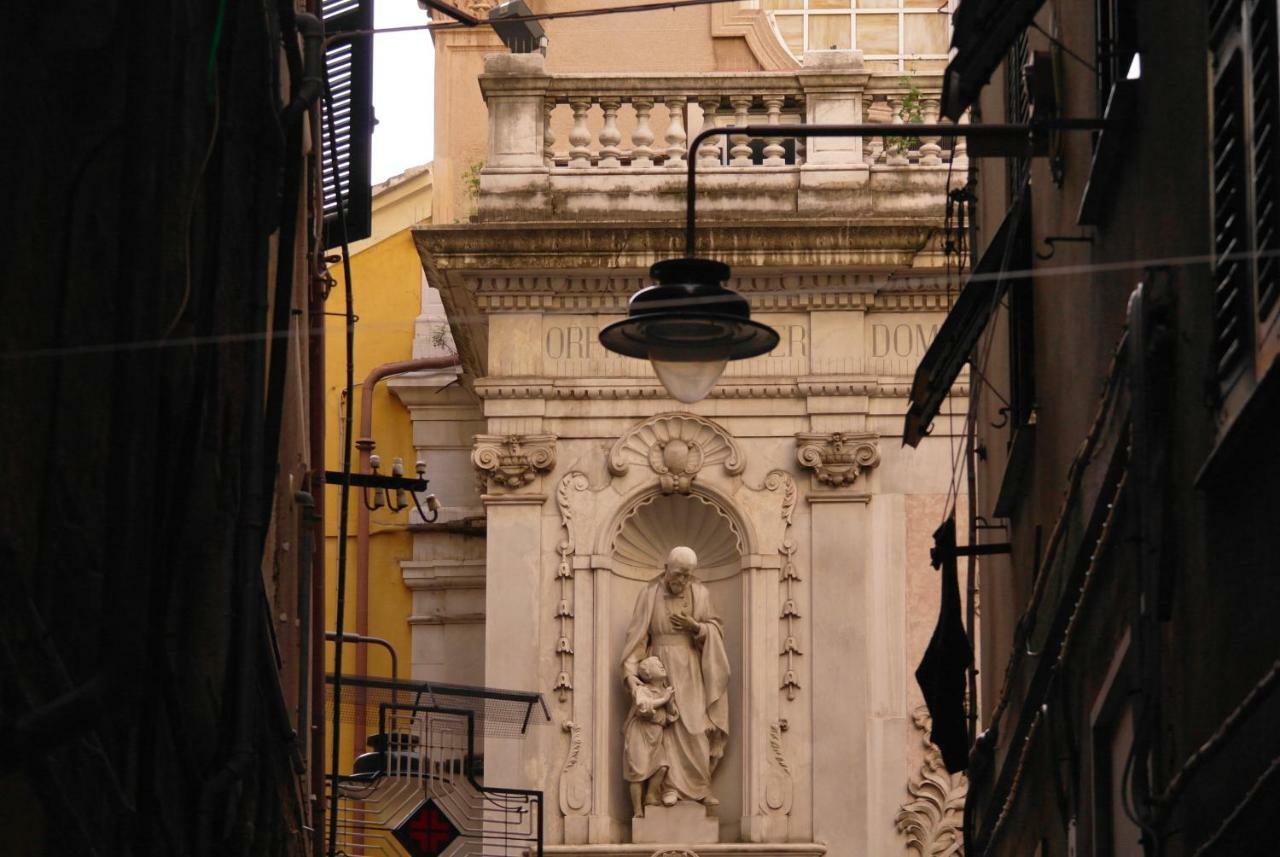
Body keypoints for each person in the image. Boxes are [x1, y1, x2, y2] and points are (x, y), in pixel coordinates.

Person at [621, 546, 729, 809]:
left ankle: (699, 788)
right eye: (679, 574)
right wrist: (630, 675)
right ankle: (667, 788)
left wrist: (697, 627)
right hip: (660, 668)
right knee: (664, 730)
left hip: (691, 667)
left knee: (695, 727)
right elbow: (637, 638)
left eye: (688, 575)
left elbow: (716, 629)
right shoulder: (649, 595)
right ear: (666, 568)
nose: (683, 581)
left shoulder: (700, 593)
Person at [623, 656, 679, 817]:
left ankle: (651, 796)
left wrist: (668, 701)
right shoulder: (643, 689)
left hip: (656, 733)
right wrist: (664, 699)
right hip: (640, 733)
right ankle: (637, 810)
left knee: (661, 766)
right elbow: (642, 705)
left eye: (662, 664)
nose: (662, 666)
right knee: (637, 772)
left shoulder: (665, 691)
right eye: (657, 665)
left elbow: (672, 715)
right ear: (647, 674)